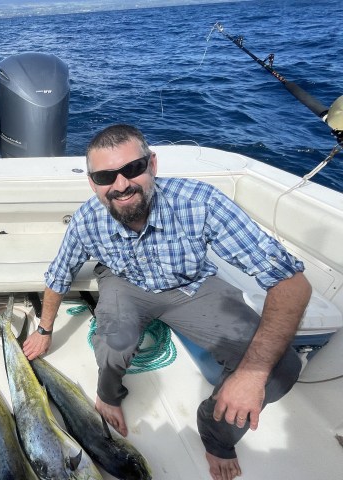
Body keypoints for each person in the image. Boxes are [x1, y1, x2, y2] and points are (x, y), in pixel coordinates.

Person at [22, 124, 311, 480]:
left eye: (132, 168)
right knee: (113, 346)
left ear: (152, 164)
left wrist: (251, 374)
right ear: (92, 183)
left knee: (282, 369)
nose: (121, 184)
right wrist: (44, 328)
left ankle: (216, 433)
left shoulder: (200, 202)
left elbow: (291, 283)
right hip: (124, 282)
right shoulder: (87, 220)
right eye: (105, 176)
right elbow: (59, 274)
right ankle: (108, 395)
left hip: (190, 286)